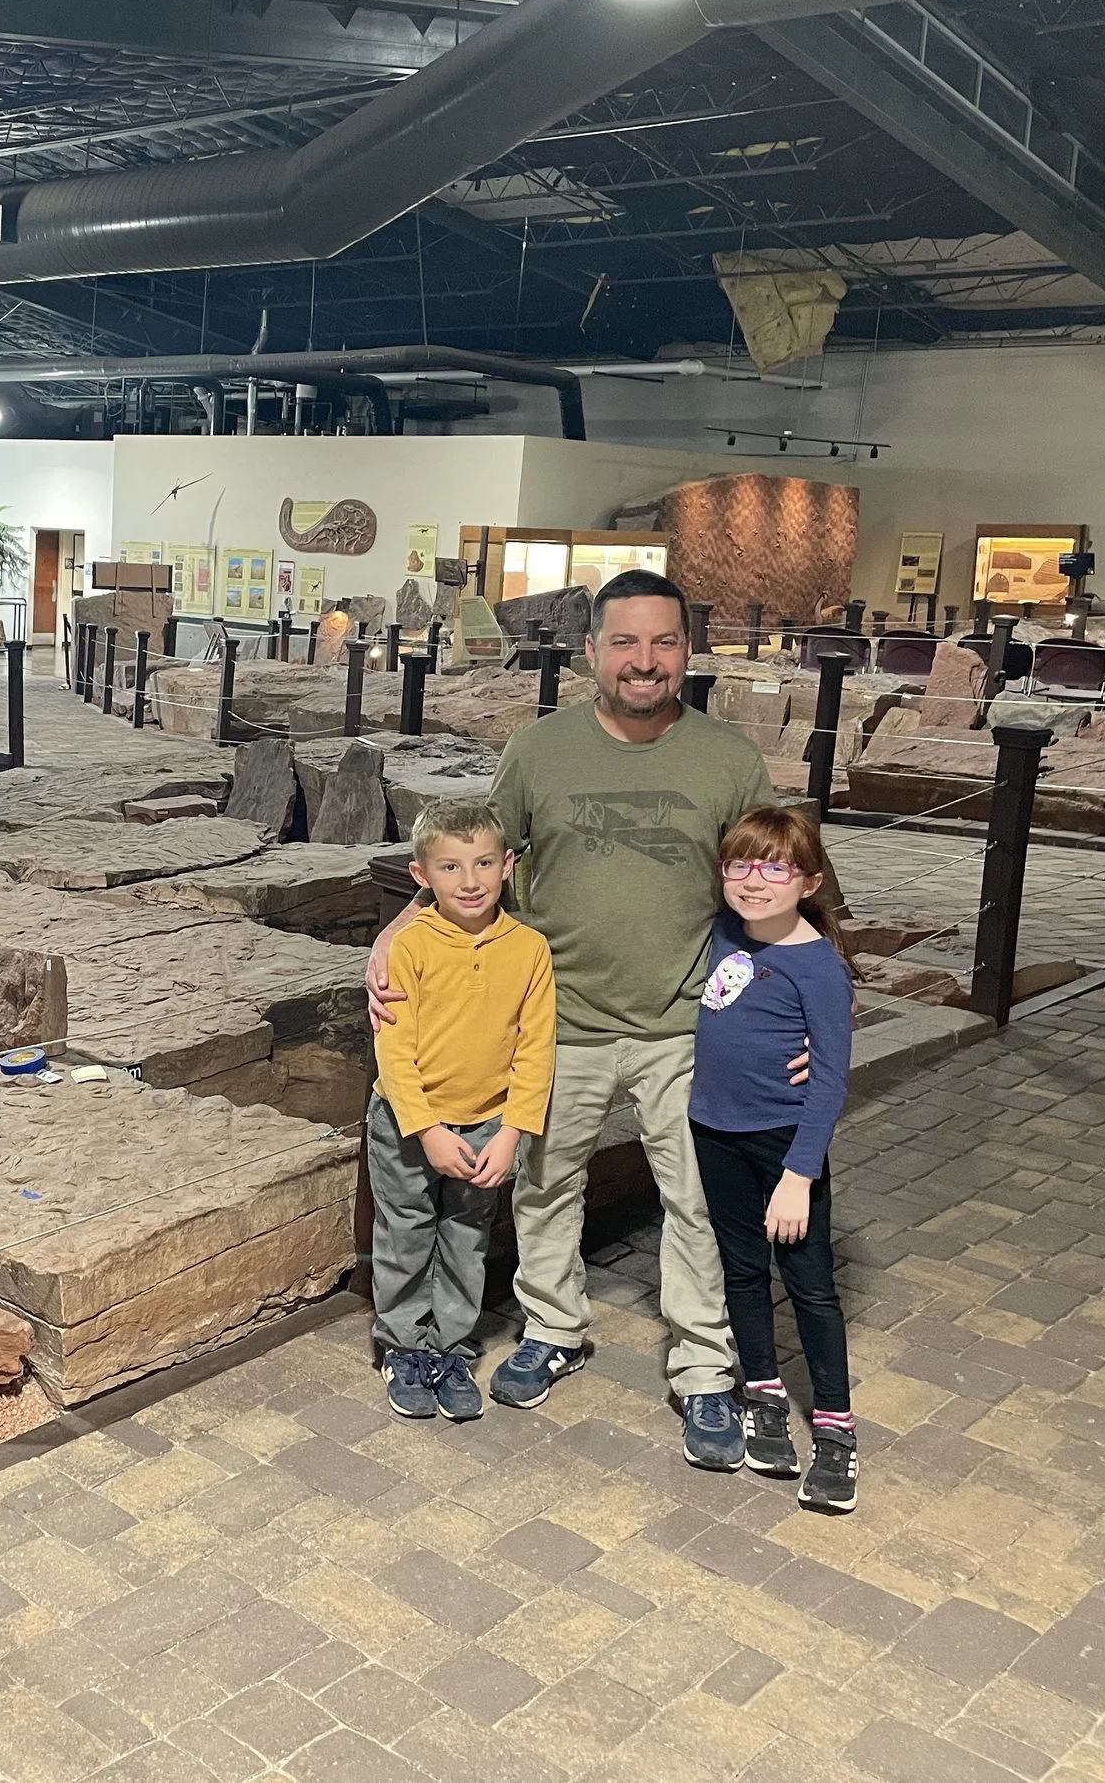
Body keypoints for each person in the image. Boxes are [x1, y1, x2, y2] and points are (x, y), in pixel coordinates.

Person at [367, 569, 777, 1469]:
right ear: (592, 651)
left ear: (686, 651)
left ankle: (706, 1368)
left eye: (663, 642)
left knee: (696, 1201)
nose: (644, 661)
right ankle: (554, 1325)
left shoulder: (729, 760)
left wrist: (795, 1016)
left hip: (685, 1021)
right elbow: (471, 861)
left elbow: (770, 890)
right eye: (623, 642)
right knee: (545, 1187)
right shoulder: (539, 750)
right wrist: (391, 936)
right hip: (562, 1020)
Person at [690, 804, 859, 1513]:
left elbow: (829, 1079)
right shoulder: (728, 930)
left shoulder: (819, 967)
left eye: (775, 868)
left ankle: (835, 1424)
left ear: (810, 880)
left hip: (782, 1143)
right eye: (740, 864)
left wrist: (799, 1173)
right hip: (713, 1130)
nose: (754, 880)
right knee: (742, 1267)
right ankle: (760, 1388)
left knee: (811, 1284)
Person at [368, 799, 556, 1422]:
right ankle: (402, 1345)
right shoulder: (408, 947)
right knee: (405, 1234)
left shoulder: (529, 949)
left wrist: (513, 1134)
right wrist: (425, 1128)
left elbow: (536, 1048)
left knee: (467, 1239)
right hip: (407, 1125)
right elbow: (394, 1049)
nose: (469, 881)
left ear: (507, 866)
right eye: (450, 867)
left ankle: (449, 1345)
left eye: (482, 864)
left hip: (488, 1124)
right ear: (422, 877)